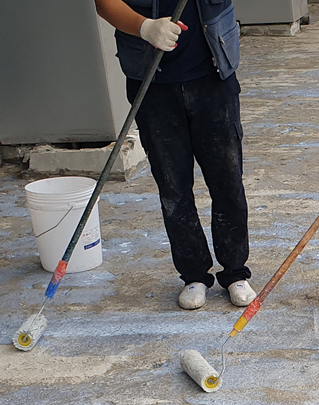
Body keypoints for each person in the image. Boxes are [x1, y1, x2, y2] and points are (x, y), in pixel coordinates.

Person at [95, 0, 256, 310]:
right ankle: (194, 276)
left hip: (213, 75)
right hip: (153, 83)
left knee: (227, 181)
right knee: (173, 189)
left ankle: (235, 272)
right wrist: (143, 26)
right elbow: (104, 3)